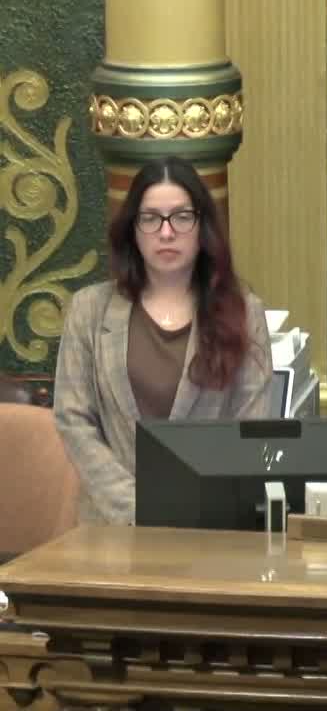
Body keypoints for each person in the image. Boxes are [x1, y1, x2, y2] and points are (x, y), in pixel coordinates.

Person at [53, 158, 273, 525]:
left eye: (181, 217)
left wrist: (192, 509)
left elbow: (252, 430)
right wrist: (136, 506)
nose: (166, 232)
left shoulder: (245, 313)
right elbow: (73, 418)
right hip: (111, 526)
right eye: (151, 218)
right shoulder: (88, 310)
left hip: (209, 527)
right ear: (133, 229)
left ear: (202, 227)